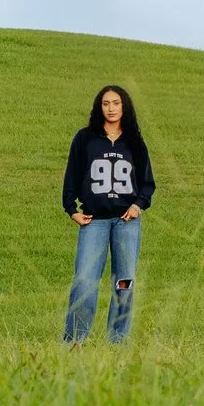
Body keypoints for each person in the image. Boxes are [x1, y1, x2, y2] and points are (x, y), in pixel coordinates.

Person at [61, 84, 155, 343]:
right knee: (84, 281)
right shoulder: (85, 138)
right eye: (106, 103)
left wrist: (138, 205)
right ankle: (74, 341)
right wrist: (71, 210)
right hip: (94, 221)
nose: (111, 108)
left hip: (126, 224)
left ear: (124, 106)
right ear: (99, 107)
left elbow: (147, 183)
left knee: (124, 282)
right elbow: (72, 175)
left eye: (116, 103)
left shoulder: (135, 142)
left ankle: (117, 341)